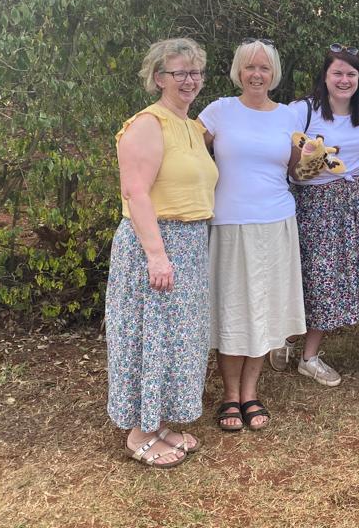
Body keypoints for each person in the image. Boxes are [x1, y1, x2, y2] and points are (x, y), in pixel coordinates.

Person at [107, 38, 218, 468]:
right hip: (155, 243)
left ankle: (158, 424)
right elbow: (135, 192)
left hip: (189, 243)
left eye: (196, 72)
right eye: (180, 73)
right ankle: (139, 433)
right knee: (150, 335)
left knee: (177, 339)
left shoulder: (190, 126)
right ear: (159, 78)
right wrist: (156, 254)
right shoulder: (147, 124)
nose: (190, 80)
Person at [199, 39, 305, 431]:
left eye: (264, 68)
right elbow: (187, 154)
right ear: (238, 72)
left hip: (276, 222)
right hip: (230, 223)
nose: (257, 74)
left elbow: (297, 170)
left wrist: (316, 163)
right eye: (249, 67)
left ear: (273, 73)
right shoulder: (218, 111)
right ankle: (230, 395)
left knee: (263, 308)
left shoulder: (288, 116)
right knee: (232, 308)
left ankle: (250, 392)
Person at [285, 44, 359, 386]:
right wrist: (307, 161)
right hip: (313, 204)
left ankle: (302, 349)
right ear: (325, 76)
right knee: (310, 275)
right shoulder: (303, 111)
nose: (344, 79)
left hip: (351, 202)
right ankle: (295, 344)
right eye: (337, 73)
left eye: (351, 73)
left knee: (332, 278)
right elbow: (288, 166)